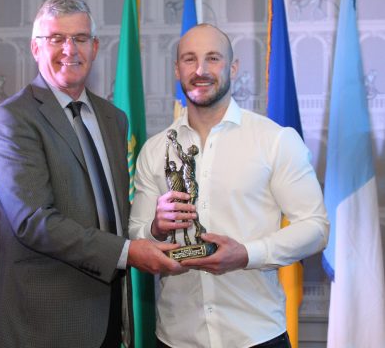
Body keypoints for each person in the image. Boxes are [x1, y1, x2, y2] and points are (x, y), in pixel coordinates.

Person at [0, 0, 182, 348]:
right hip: (40, 325)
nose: (69, 49)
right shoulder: (12, 119)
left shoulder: (113, 119)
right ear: (35, 47)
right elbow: (34, 221)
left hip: (109, 320)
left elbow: (111, 214)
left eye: (80, 38)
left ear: (95, 47)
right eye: (56, 38)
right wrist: (129, 253)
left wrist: (154, 227)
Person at [129, 23, 330, 348]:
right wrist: (155, 228)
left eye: (213, 59)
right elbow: (136, 235)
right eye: (190, 59)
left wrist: (247, 254)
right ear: (177, 69)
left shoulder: (274, 141)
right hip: (176, 338)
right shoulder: (155, 150)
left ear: (233, 67)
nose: (201, 70)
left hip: (257, 336)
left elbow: (316, 228)